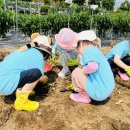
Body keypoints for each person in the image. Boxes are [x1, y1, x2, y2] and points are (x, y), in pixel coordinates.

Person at [0, 35, 52, 111]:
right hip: (6, 87)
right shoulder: (38, 55)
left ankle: (21, 90)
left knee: (21, 71)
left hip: (2, 81)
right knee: (36, 73)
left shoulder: (21, 50)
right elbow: (40, 77)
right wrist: (46, 78)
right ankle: (21, 102)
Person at [70, 30, 115, 104]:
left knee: (76, 71)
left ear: (81, 43)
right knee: (84, 71)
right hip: (107, 90)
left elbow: (93, 67)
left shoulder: (88, 50)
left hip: (99, 93)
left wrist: (83, 71)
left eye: (76, 49)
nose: (78, 52)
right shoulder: (95, 50)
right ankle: (88, 91)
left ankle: (83, 95)